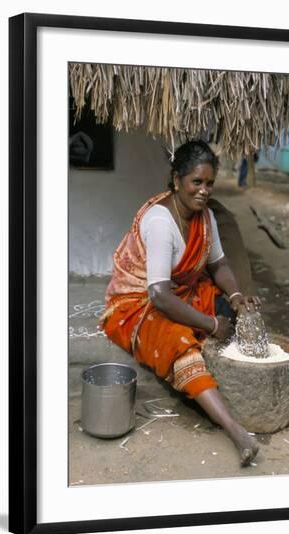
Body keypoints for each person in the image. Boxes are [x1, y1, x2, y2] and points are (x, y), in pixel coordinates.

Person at [100, 141, 260, 466]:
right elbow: (158, 295)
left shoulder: (205, 217)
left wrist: (235, 295)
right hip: (140, 302)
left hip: (182, 290)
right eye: (196, 182)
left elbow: (218, 265)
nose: (204, 191)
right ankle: (235, 430)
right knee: (179, 342)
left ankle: (211, 378)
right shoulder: (161, 222)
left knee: (233, 310)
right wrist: (211, 324)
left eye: (209, 183)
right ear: (176, 180)